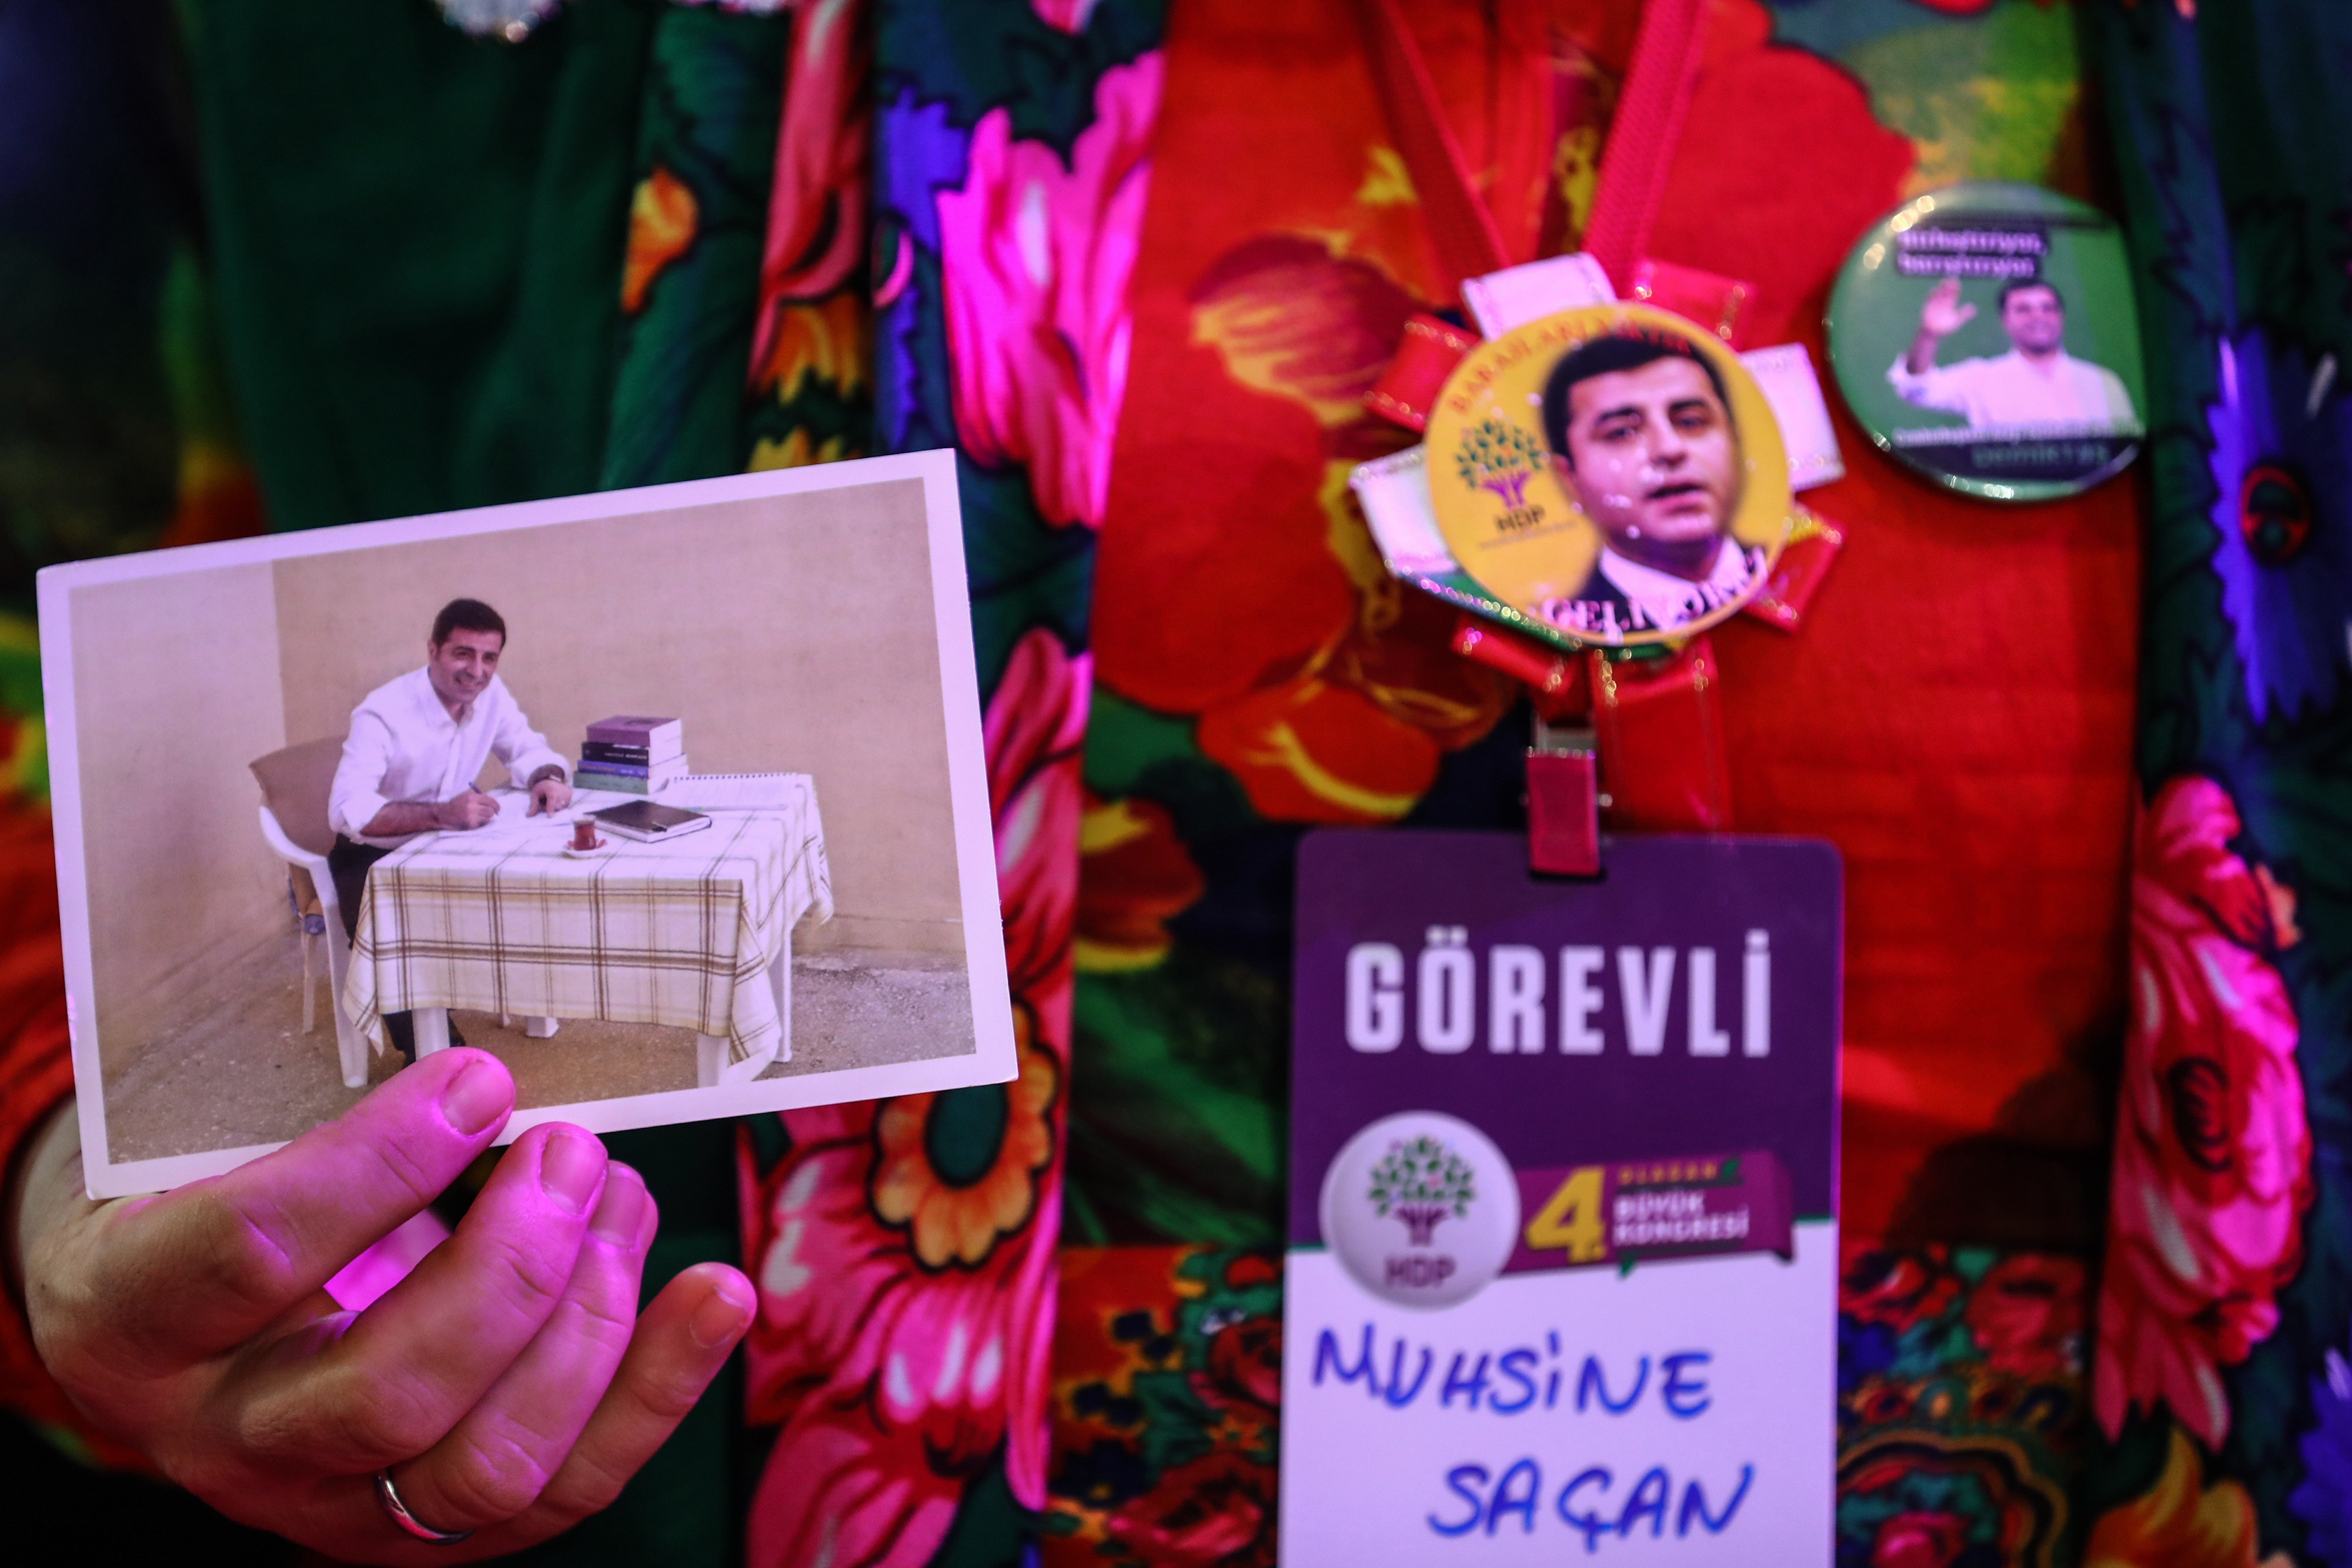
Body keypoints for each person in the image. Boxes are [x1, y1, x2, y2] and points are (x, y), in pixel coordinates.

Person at [328, 597, 571, 1060]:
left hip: (449, 842)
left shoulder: (491, 695)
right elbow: (346, 811)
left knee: (528, 888)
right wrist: (441, 814)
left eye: (489, 658)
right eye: (463, 654)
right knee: (392, 940)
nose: (476, 671)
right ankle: (434, 1054)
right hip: (373, 853)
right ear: (434, 650)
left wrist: (547, 777)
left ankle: (491, 995)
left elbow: (526, 747)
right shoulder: (382, 712)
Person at [1535, 332, 1763, 641]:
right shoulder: (1565, 628)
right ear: (1568, 477)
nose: (1670, 449)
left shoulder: (1793, 563)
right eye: (1622, 432)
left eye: (1691, 421)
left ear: (1735, 440)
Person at [1887, 276, 2137, 432]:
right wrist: (1929, 335)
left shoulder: (2102, 382)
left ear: (2061, 316)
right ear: (2004, 320)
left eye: (2047, 308)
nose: (2038, 317)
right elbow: (1917, 389)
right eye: (2023, 310)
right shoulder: (1980, 378)